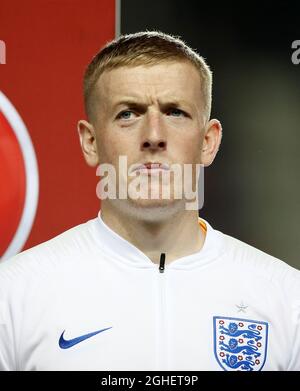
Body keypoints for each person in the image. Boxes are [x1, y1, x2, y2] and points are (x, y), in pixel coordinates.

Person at [0, 31, 299, 371]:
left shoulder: (287, 300)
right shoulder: (13, 296)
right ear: (90, 141)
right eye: (128, 114)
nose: (154, 136)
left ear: (208, 141)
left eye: (175, 112)